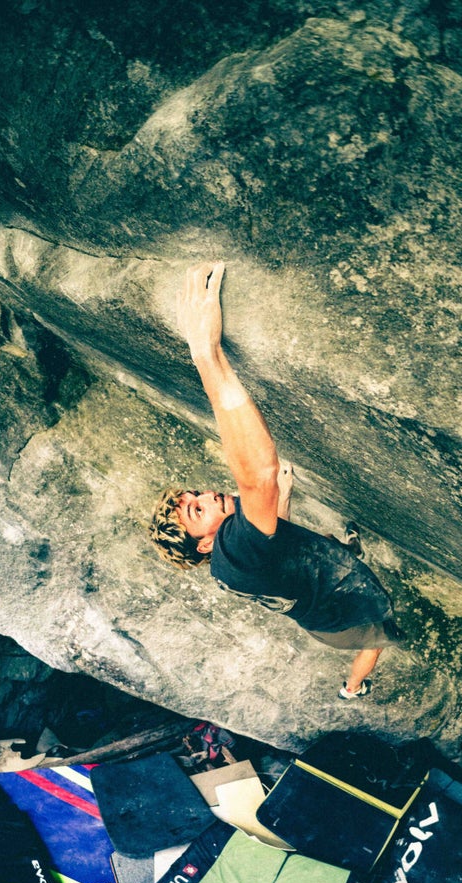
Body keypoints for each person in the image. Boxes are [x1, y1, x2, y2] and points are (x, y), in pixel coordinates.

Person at [149, 262, 402, 699]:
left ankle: (343, 551)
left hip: (316, 603)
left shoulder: (232, 562)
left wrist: (280, 500)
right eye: (196, 509)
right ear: (204, 543)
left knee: (316, 545)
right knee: (380, 640)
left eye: (194, 495)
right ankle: (352, 688)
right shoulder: (234, 546)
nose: (205, 495)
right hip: (343, 614)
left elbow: (269, 537)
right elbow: (257, 475)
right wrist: (205, 353)